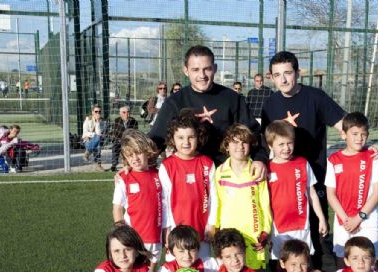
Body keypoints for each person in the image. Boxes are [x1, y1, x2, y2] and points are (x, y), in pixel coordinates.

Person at [261, 51, 378, 271]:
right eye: (278, 75)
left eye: (288, 73)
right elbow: (266, 141)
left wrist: (366, 145)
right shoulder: (269, 104)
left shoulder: (315, 97)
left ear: (298, 73)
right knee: (279, 227)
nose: (284, 79)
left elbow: (345, 126)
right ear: (272, 76)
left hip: (314, 173)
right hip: (285, 178)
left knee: (317, 228)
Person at [149, 45, 267, 178]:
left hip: (227, 174)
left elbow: (253, 133)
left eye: (207, 69)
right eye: (195, 70)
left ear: (215, 68)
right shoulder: (174, 102)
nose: (202, 75)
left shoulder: (232, 98)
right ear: (186, 70)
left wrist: (260, 159)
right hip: (189, 176)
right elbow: (156, 139)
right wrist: (133, 159)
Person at [325, 112, 378, 268]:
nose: (359, 138)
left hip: (367, 219)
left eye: (363, 134)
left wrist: (358, 218)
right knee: (342, 262)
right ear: (343, 135)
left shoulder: (373, 156)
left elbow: (377, 193)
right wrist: (347, 220)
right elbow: (331, 195)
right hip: (343, 220)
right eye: (355, 134)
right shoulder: (333, 160)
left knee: (369, 263)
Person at [265, 120, 328, 272]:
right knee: (281, 266)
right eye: (281, 144)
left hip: (301, 225)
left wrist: (321, 218)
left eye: (290, 143)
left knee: (302, 263)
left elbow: (311, 192)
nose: (286, 148)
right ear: (270, 145)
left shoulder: (302, 163)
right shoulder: (266, 168)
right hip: (278, 228)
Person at [158, 111, 217, 260]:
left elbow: (215, 197)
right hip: (176, 231)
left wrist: (211, 224)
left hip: (202, 230)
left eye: (191, 137)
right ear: (173, 139)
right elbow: (163, 201)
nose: (186, 142)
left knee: (203, 270)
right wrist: (167, 228)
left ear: (198, 137)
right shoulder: (167, 166)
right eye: (180, 138)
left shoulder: (207, 163)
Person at [214, 124, 271, 271]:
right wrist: (215, 228)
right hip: (228, 233)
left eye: (244, 142)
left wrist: (266, 230)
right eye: (235, 142)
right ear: (226, 146)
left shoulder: (257, 170)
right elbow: (217, 203)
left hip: (253, 233)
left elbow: (265, 202)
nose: (240, 146)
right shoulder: (219, 172)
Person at [112, 130, 162, 271]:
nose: (135, 158)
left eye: (138, 153)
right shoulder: (124, 178)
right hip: (134, 237)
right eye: (129, 155)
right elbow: (117, 208)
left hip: (155, 236)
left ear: (147, 151)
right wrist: (121, 231)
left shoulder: (159, 175)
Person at [108, 105, 139, 172]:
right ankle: (114, 164)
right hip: (119, 140)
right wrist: (120, 140)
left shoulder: (134, 121)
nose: (126, 114)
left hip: (129, 140)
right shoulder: (117, 121)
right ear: (120, 113)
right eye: (124, 112)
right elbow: (115, 133)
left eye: (128, 112)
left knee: (132, 147)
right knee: (115, 146)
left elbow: (135, 133)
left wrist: (129, 139)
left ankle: (129, 163)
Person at [82, 104, 106, 171]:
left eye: (99, 112)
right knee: (97, 140)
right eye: (96, 111)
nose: (98, 113)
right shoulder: (87, 120)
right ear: (92, 112)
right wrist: (93, 135)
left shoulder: (103, 121)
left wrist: (98, 122)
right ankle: (98, 164)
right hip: (87, 140)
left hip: (98, 141)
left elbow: (99, 133)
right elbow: (85, 133)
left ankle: (88, 152)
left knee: (98, 143)